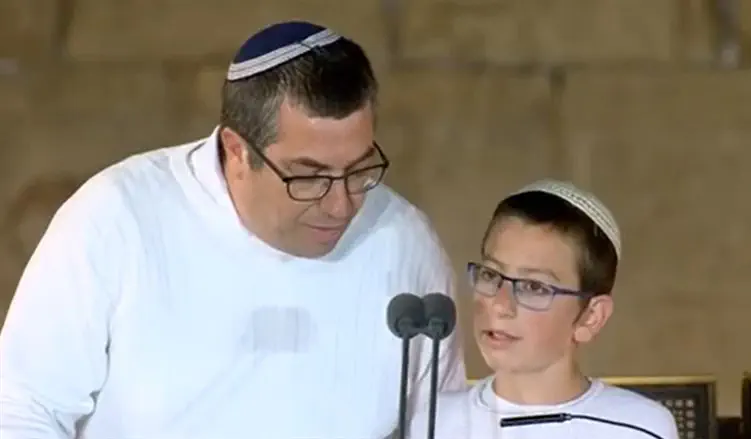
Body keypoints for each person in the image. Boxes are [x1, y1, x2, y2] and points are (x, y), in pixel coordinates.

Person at [0, 21, 466, 439]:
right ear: (236, 149)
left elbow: (443, 423)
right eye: (309, 177)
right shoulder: (118, 218)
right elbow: (23, 408)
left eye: (360, 170)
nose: (341, 204)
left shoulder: (405, 242)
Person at [408, 179, 679, 439]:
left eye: (534, 287)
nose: (500, 305)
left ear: (591, 317)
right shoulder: (431, 422)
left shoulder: (638, 429)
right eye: (491, 275)